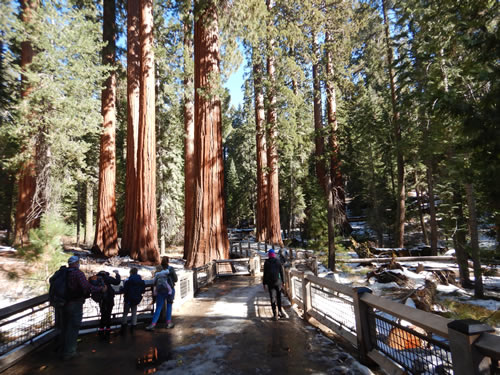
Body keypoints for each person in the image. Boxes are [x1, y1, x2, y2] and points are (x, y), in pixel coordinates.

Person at [60, 255, 106, 360]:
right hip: (75, 303)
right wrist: (100, 289)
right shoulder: (78, 273)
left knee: (66, 327)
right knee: (73, 327)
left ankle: (63, 349)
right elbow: (86, 287)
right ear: (76, 263)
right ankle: (70, 352)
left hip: (64, 304)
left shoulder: (65, 272)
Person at [146, 256, 177, 330]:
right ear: (168, 261)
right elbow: (175, 279)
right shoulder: (171, 269)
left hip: (160, 291)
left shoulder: (158, 269)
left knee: (158, 307)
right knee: (169, 306)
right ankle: (168, 323)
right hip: (170, 291)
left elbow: (155, 281)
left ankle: (153, 324)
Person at [93, 270, 121, 339]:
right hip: (109, 298)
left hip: (101, 299)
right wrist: (117, 274)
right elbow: (117, 282)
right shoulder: (107, 278)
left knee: (103, 314)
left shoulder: (96, 279)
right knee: (108, 314)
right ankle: (108, 329)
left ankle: (101, 329)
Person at [263, 248, 286, 321]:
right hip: (278, 282)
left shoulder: (266, 262)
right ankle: (280, 312)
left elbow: (265, 274)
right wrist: (283, 282)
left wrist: (264, 283)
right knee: (279, 297)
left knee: (272, 298)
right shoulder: (278, 262)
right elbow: (281, 272)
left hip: (270, 283)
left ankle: (275, 314)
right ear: (274, 255)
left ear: (269, 255)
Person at [121, 267, 146, 332]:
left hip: (128, 299)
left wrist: (121, 289)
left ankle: (124, 325)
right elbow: (143, 290)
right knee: (134, 312)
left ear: (131, 272)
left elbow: (125, 290)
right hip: (136, 299)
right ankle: (133, 325)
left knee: (125, 312)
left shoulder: (128, 281)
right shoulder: (141, 281)